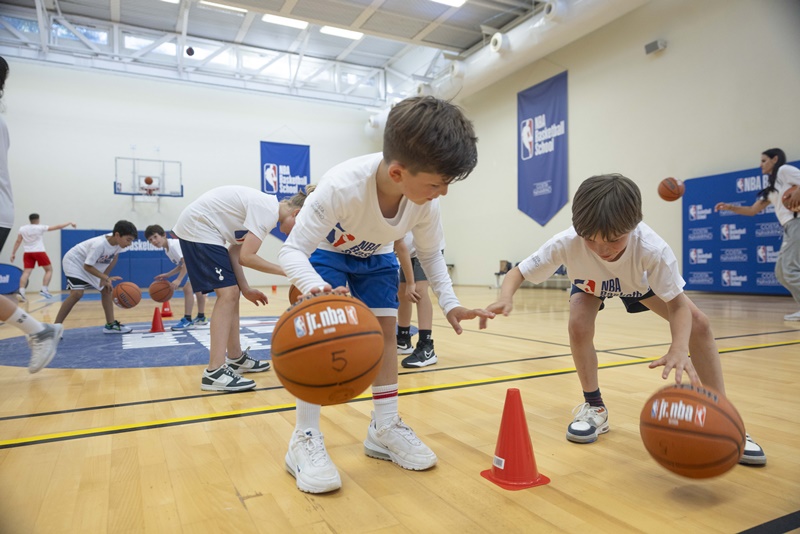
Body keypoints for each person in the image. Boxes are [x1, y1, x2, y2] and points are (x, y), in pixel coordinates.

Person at [278, 96, 494, 494]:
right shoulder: (338, 188)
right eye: (437, 183)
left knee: (385, 339)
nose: (443, 192)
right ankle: (303, 437)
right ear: (397, 172)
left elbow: (430, 254)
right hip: (328, 254)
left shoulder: (424, 203)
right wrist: (315, 289)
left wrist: (450, 304)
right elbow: (291, 250)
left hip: (377, 256)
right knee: (319, 341)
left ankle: (384, 426)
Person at [481, 173, 766, 466]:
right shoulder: (566, 242)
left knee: (700, 323)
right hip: (590, 283)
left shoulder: (652, 250)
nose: (602, 250)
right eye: (590, 240)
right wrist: (506, 297)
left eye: (614, 240)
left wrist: (679, 347)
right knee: (578, 326)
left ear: (634, 225)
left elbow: (678, 307)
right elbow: (518, 272)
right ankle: (595, 408)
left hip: (637, 283)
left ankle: (725, 419)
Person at [172, 184, 315, 392]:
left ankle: (235, 357)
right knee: (228, 294)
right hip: (198, 228)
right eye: (301, 225)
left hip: (201, 228)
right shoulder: (267, 210)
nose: (297, 232)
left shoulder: (266, 211)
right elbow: (248, 257)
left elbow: (235, 253)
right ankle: (215, 371)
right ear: (297, 214)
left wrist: (246, 288)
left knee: (232, 293)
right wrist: (287, 270)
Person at [0, 55, 61, 373]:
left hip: (6, 222)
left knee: (40, 273)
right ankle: (38, 327)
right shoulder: (28, 226)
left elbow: (53, 227)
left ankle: (39, 326)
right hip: (19, 236)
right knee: (40, 273)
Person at [715, 148, 800, 321]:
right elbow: (752, 210)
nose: (760, 164)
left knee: (790, 270)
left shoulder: (785, 170)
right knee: (781, 273)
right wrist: (730, 207)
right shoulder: (772, 187)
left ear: (774, 159)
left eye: (763, 160)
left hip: (797, 222)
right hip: (788, 228)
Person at [54, 220, 138, 333]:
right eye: (128, 240)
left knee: (107, 289)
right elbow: (87, 266)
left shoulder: (119, 244)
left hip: (90, 264)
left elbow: (114, 257)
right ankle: (54, 328)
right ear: (117, 235)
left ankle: (110, 325)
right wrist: (105, 278)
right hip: (75, 261)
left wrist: (105, 277)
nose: (129, 244)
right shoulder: (99, 245)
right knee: (77, 293)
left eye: (131, 241)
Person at [144, 224, 209, 331]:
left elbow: (186, 263)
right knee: (198, 291)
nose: (154, 241)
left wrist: (179, 279)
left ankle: (188, 319)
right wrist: (168, 275)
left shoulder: (174, 245)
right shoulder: (167, 249)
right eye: (151, 240)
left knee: (187, 289)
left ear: (163, 235)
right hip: (199, 263)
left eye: (155, 237)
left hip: (203, 262)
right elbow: (181, 265)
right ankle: (201, 317)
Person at [394, 231, 441, 368]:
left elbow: (400, 245)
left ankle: (427, 347)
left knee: (419, 289)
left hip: (426, 248)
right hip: (407, 250)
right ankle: (403, 341)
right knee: (402, 291)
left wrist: (411, 283)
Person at [10, 213, 76, 300]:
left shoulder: (22, 228)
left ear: (30, 220)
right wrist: (69, 223)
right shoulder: (40, 227)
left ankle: (21, 292)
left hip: (27, 253)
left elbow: (18, 241)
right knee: (49, 270)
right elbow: (57, 227)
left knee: (26, 272)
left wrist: (13, 253)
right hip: (39, 251)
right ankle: (44, 289)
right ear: (38, 219)